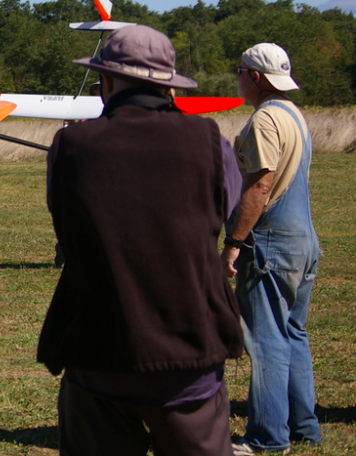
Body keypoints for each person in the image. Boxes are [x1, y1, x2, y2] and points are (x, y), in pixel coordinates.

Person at [38, 25, 244, 456]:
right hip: (188, 353)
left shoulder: (70, 145)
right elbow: (226, 207)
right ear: (168, 86)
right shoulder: (210, 143)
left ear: (106, 81)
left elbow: (63, 218)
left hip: (97, 349)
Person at [221, 43, 321, 454]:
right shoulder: (294, 116)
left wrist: (233, 242)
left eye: (241, 70)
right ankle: (305, 427)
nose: (239, 77)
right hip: (304, 241)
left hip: (272, 242)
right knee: (293, 332)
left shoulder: (264, 120)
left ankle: (267, 437)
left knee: (265, 339)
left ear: (256, 77)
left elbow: (260, 185)